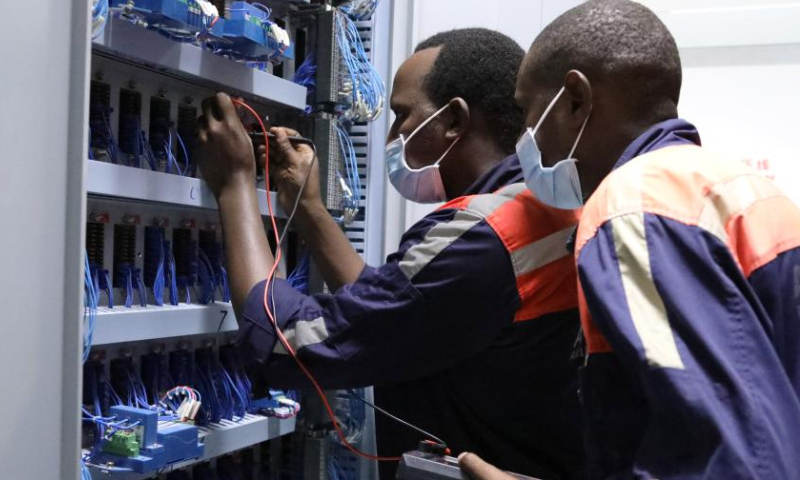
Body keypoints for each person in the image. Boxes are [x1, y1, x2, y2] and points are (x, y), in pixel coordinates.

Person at [197, 28, 586, 479]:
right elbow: (401, 312)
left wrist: (235, 184)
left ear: (453, 121)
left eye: (403, 115)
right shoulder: (544, 206)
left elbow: (283, 340)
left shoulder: (484, 237)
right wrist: (308, 208)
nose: (394, 135)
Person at [460, 1, 800, 479]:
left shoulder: (634, 209)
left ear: (574, 99)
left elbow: (717, 460)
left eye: (527, 111)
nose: (526, 137)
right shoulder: (739, 187)